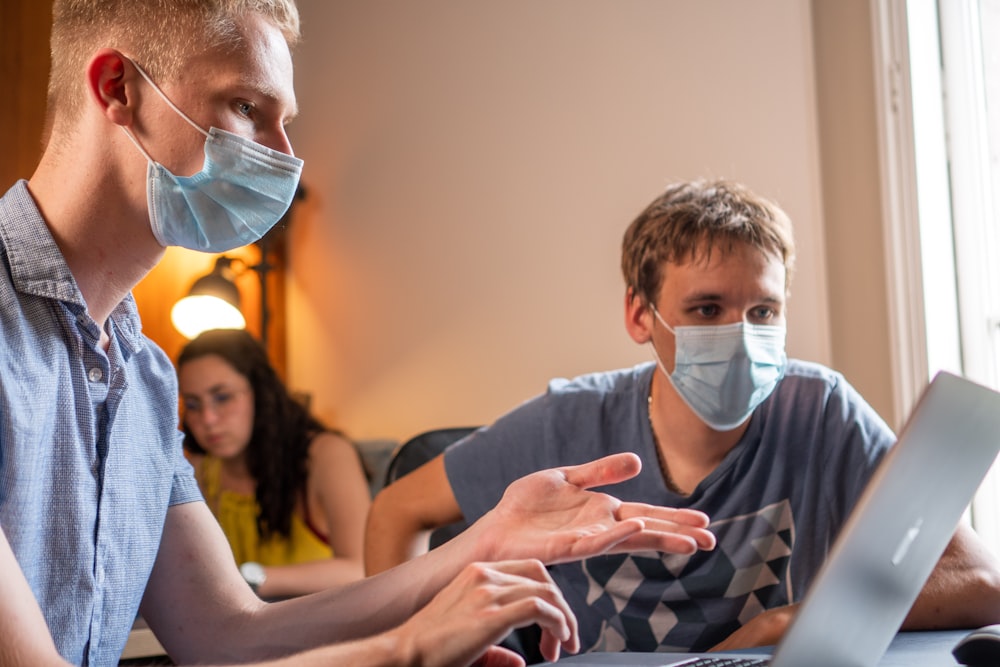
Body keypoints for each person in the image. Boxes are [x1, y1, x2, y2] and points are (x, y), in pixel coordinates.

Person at [0, 2, 718, 665]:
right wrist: (403, 650)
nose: (283, 155)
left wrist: (483, 541)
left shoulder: (147, 378)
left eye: (286, 120)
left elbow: (228, 635)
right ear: (118, 88)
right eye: (247, 106)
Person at [365, 179, 1000, 655]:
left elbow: (977, 578)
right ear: (640, 315)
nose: (743, 336)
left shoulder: (822, 409)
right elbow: (396, 510)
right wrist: (413, 650)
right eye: (706, 309)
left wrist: (784, 622)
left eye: (763, 312)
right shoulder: (570, 421)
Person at [177, 328, 371, 597]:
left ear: (260, 391)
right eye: (194, 404)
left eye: (222, 397)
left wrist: (249, 578)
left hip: (322, 623)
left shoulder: (326, 455)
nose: (208, 419)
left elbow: (363, 569)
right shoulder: (198, 466)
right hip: (236, 627)